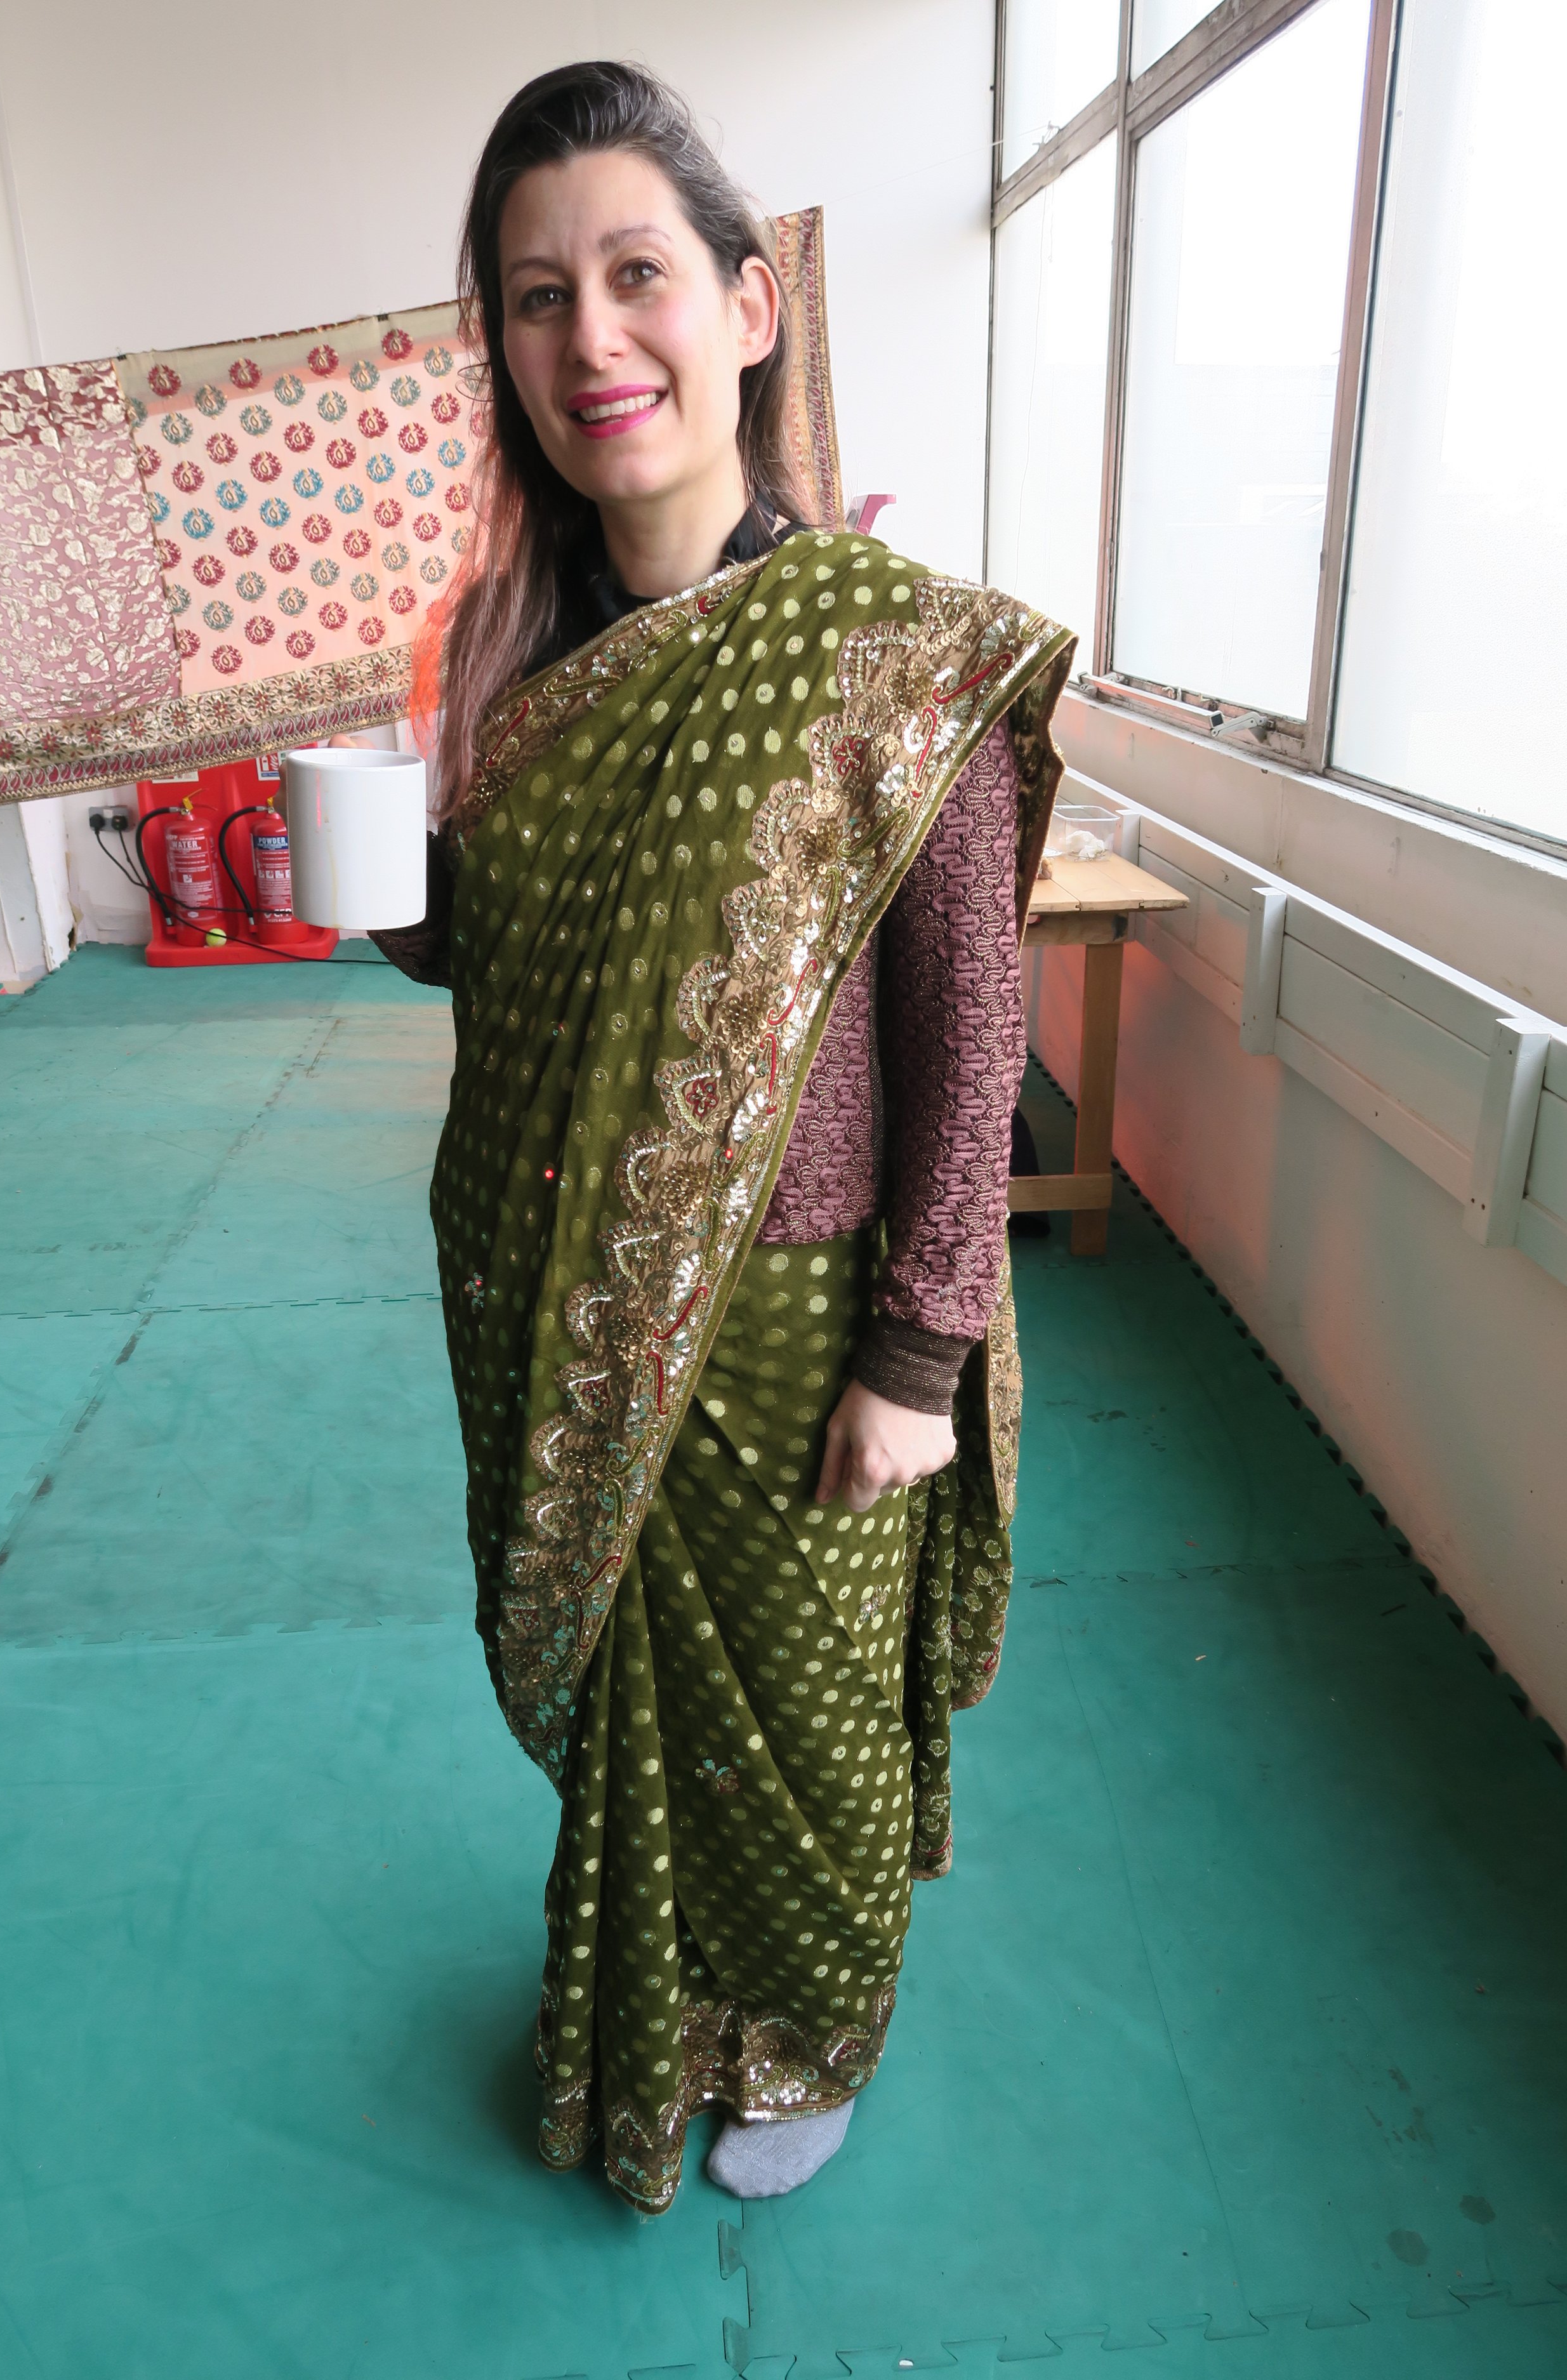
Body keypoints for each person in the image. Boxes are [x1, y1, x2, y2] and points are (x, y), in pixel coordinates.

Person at [369, 60, 1073, 2215]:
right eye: (531, 294)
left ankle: (807, 2032)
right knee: (641, 1727)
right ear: (497, 345)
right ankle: (663, 2008)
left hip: (798, 1320)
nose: (591, 338)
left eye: (638, 275)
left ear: (748, 308)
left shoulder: (887, 657)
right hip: (550, 1301)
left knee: (801, 1739)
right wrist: (401, 901)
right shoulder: (508, 662)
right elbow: (513, 974)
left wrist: (919, 1356)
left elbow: (972, 1041)